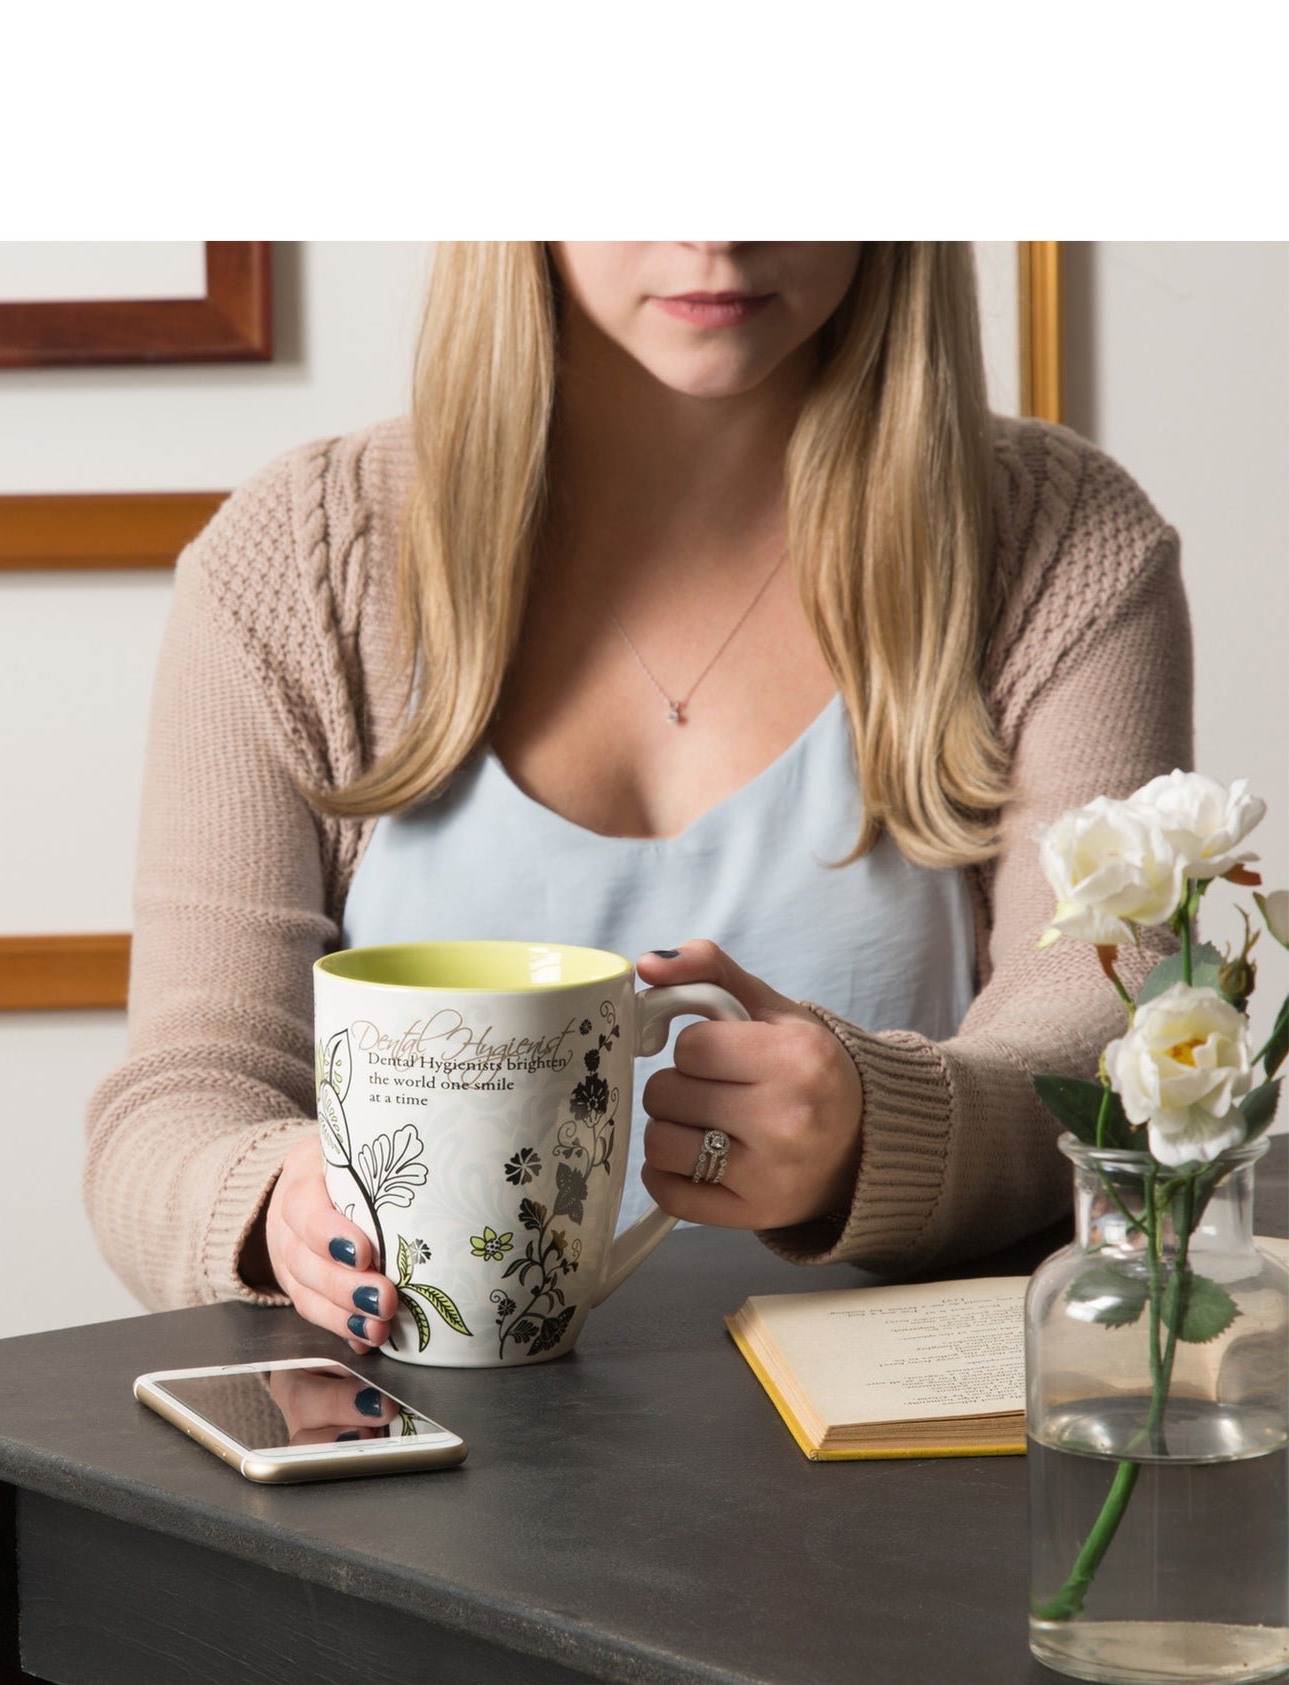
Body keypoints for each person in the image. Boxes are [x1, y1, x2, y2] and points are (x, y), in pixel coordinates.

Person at [84, 242, 1192, 1356]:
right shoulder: (300, 557)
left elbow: (1103, 1032)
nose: (714, 228)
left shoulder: (1059, 542)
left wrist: (879, 1127)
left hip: (889, 1471)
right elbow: (179, 1100)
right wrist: (276, 1201)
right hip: (413, 1458)